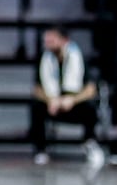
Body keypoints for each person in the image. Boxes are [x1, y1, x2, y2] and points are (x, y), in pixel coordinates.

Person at [30, 24, 100, 165]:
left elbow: (91, 89)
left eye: (52, 39)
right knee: (36, 106)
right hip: (53, 104)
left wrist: (72, 100)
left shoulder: (78, 57)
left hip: (73, 103)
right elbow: (36, 89)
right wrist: (50, 100)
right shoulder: (44, 58)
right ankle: (41, 150)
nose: (48, 42)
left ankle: (89, 143)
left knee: (90, 106)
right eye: (47, 39)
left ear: (64, 40)